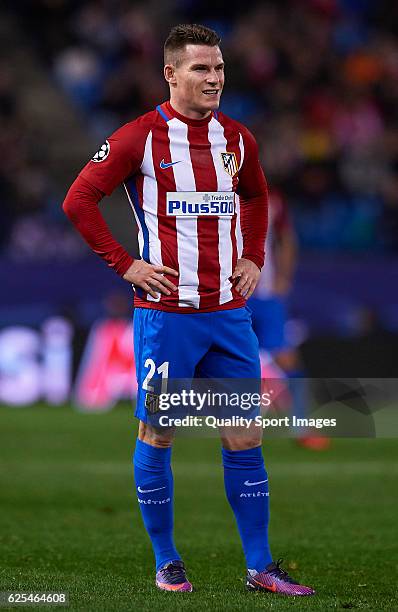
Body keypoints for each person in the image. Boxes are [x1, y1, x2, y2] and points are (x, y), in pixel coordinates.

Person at [63, 23, 315, 596]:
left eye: (220, 68)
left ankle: (260, 567)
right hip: (168, 316)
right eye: (202, 68)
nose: (215, 78)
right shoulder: (138, 138)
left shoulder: (238, 139)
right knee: (159, 431)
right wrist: (125, 265)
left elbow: (255, 197)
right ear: (171, 74)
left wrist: (253, 256)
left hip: (229, 314)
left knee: (244, 436)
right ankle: (166, 558)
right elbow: (78, 200)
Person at [243, 188, 330, 450]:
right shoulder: (212, 192)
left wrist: (284, 279)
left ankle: (301, 425)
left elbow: (287, 238)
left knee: (286, 357)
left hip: (266, 295)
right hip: (230, 295)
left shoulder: (273, 199)